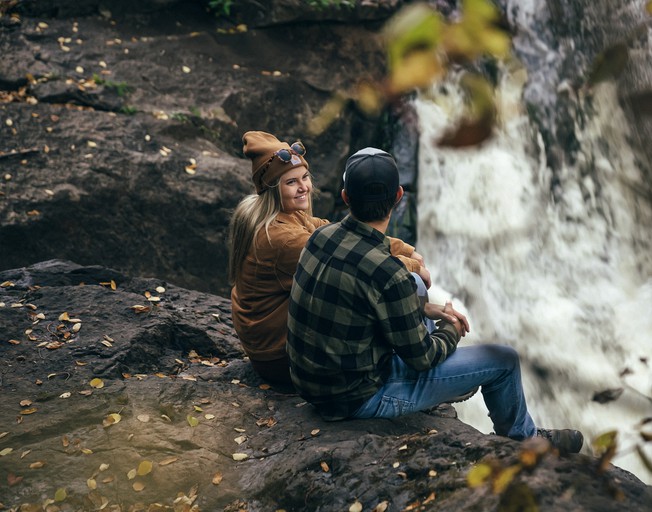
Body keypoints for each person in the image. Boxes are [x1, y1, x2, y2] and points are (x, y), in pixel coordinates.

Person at [287, 147, 584, 454]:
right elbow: (423, 359)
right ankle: (525, 440)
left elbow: (364, 295)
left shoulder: (319, 238)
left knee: (415, 284)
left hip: (311, 384)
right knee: (504, 360)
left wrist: (423, 306)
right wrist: (451, 328)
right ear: (399, 196)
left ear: (346, 197)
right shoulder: (389, 274)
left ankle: (449, 383)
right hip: (357, 398)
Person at [227, 131, 430, 387]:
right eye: (291, 182)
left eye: (304, 177)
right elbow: (358, 267)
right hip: (282, 359)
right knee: (398, 284)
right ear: (272, 189)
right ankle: (420, 368)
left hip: (272, 346)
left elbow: (339, 233)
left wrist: (406, 249)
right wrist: (413, 265)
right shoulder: (284, 239)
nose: (304, 188)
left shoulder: (284, 217)